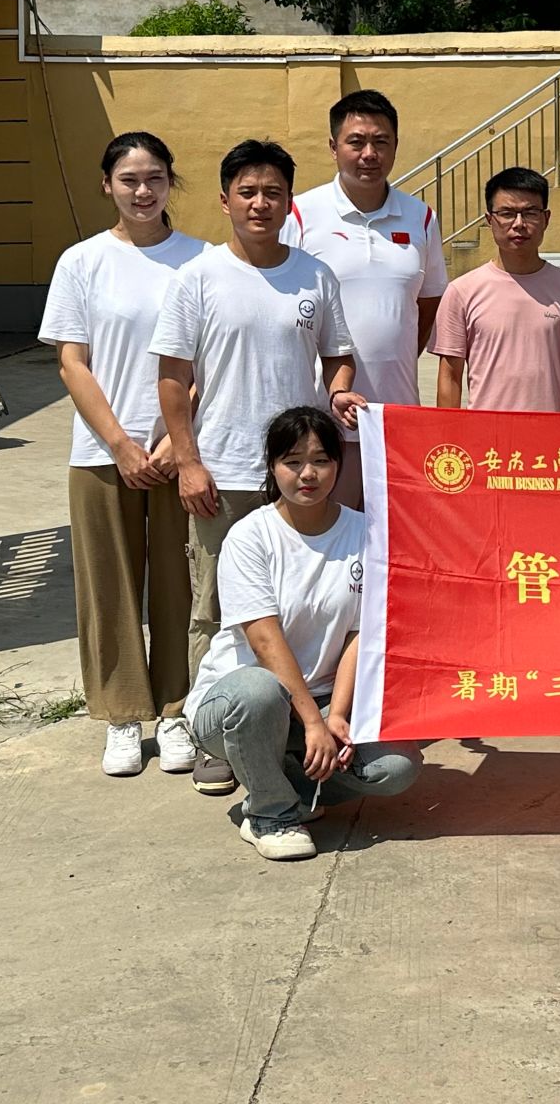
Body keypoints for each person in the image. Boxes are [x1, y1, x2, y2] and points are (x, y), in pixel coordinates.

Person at [151, 139, 365, 797]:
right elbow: (172, 377)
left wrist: (338, 394)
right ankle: (210, 731)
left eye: (273, 192)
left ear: (289, 202)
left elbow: (338, 356)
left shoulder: (314, 276)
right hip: (222, 472)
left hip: (300, 471)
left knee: (302, 603)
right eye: (247, 192)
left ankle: (297, 723)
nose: (260, 203)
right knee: (213, 606)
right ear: (225, 201)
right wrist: (188, 462)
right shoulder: (198, 277)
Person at [38, 132, 207, 778]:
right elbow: (72, 362)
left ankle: (176, 711)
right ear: (107, 184)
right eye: (129, 179)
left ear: (171, 182)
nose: (143, 191)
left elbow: (207, 360)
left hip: (181, 452)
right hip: (101, 452)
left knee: (180, 584)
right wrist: (122, 444)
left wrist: (171, 443)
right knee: (108, 587)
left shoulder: (201, 261)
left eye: (155, 178)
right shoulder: (82, 262)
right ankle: (122, 715)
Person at [185, 406, 423, 861]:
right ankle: (270, 814)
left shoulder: (368, 533)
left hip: (324, 698)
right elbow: (264, 641)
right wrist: (313, 722)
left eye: (320, 460)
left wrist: (337, 716)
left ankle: (287, 783)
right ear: (273, 467)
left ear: (339, 464)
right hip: (241, 704)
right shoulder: (249, 537)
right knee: (259, 690)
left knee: (397, 767)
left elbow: (361, 633)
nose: (307, 474)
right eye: (292, 462)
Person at [285, 90, 448, 506]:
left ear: (396, 145)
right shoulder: (301, 214)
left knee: (391, 533)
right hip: (321, 420)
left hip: (395, 417)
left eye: (381, 141)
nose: (369, 154)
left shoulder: (421, 217)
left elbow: (427, 303)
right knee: (326, 531)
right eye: (356, 142)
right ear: (333, 147)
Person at [430, 166, 560, 412]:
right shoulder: (462, 291)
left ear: (546, 219)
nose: (519, 224)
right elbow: (450, 376)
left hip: (550, 433)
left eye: (530, 213)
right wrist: (451, 431)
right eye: (507, 213)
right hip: (487, 433)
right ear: (490, 220)